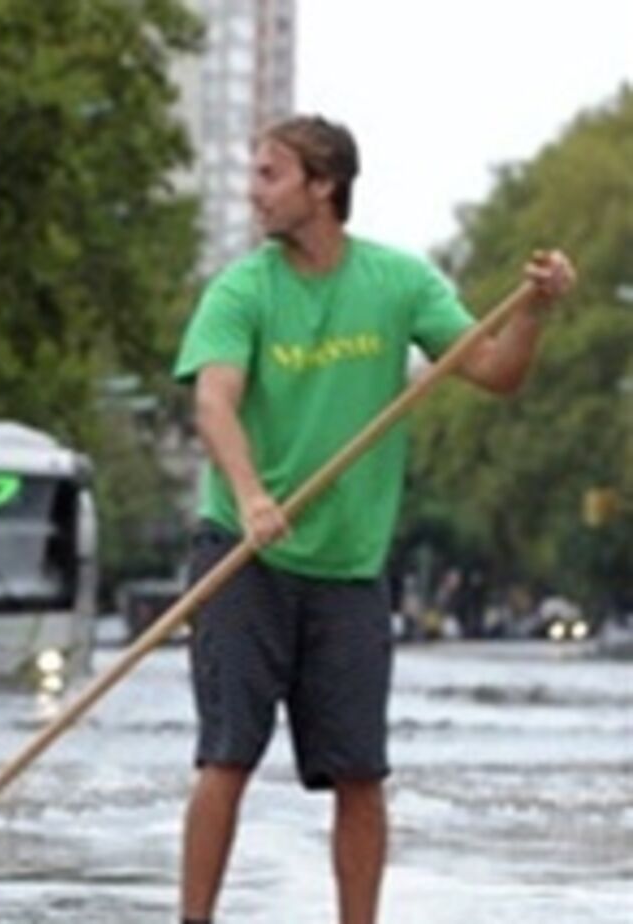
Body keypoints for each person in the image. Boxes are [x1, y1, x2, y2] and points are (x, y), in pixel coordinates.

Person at [172, 115, 574, 924]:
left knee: (360, 774)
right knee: (227, 758)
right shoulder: (242, 290)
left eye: (269, 175)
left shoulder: (400, 285)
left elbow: (495, 372)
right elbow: (214, 402)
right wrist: (251, 495)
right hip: (244, 559)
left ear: (323, 187)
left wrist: (532, 310)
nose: (255, 192)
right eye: (254, 174)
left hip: (349, 572)